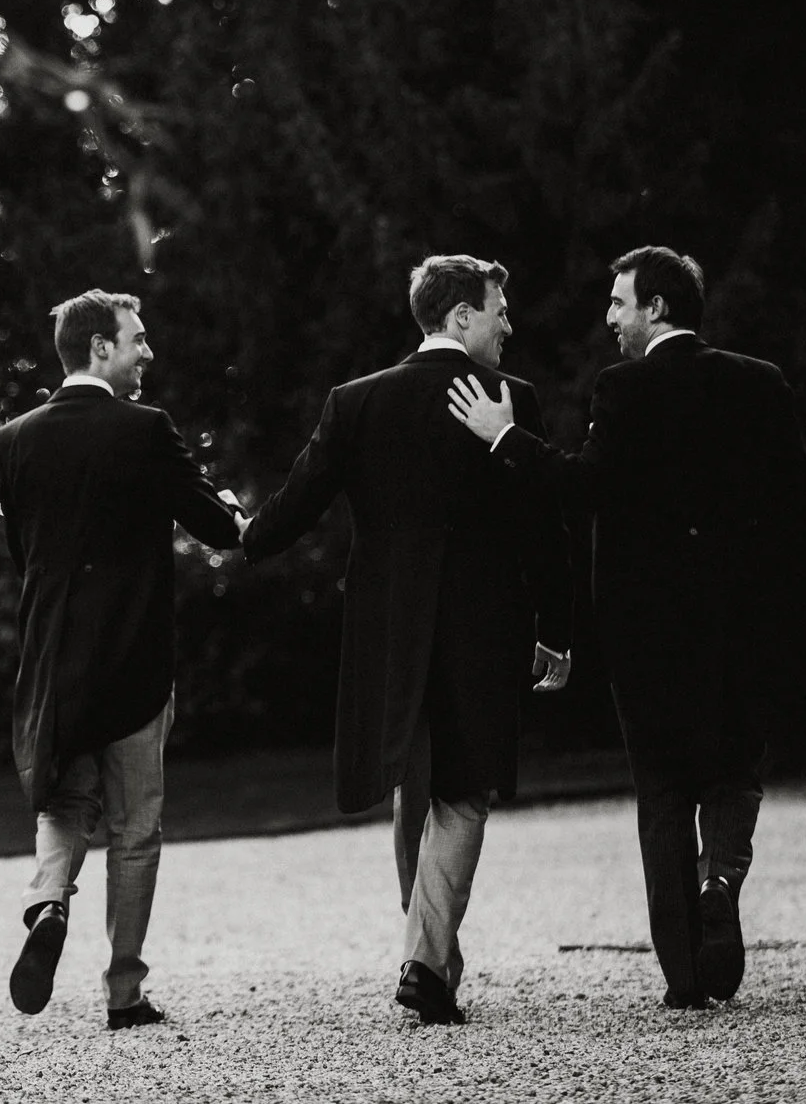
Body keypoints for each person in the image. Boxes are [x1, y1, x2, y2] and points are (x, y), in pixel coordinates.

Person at [447, 245, 806, 1010]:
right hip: (742, 624)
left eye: (620, 303)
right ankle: (722, 879)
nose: (611, 319)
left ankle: (686, 973)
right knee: (734, 768)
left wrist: (504, 435)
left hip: (647, 632)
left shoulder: (625, 388)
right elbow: (799, 508)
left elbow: (582, 487)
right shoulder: (762, 383)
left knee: (662, 788)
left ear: (657, 308)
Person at [240, 256, 573, 1026]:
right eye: (499, 310)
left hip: (389, 629)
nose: (509, 324)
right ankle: (426, 961)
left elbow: (299, 500)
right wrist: (555, 630)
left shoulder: (356, 403)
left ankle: (428, 957)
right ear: (460, 317)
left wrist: (245, 536)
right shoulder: (510, 400)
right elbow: (542, 530)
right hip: (483, 629)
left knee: (410, 787)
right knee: (463, 793)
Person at [0, 289, 242, 1031]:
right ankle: (124, 992)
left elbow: (24, 555)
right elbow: (214, 524)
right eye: (138, 339)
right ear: (101, 348)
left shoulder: (14, 438)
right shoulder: (144, 428)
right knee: (135, 828)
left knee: (64, 801)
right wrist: (239, 519)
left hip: (54, 659)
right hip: (133, 657)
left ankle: (46, 901)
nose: (148, 351)